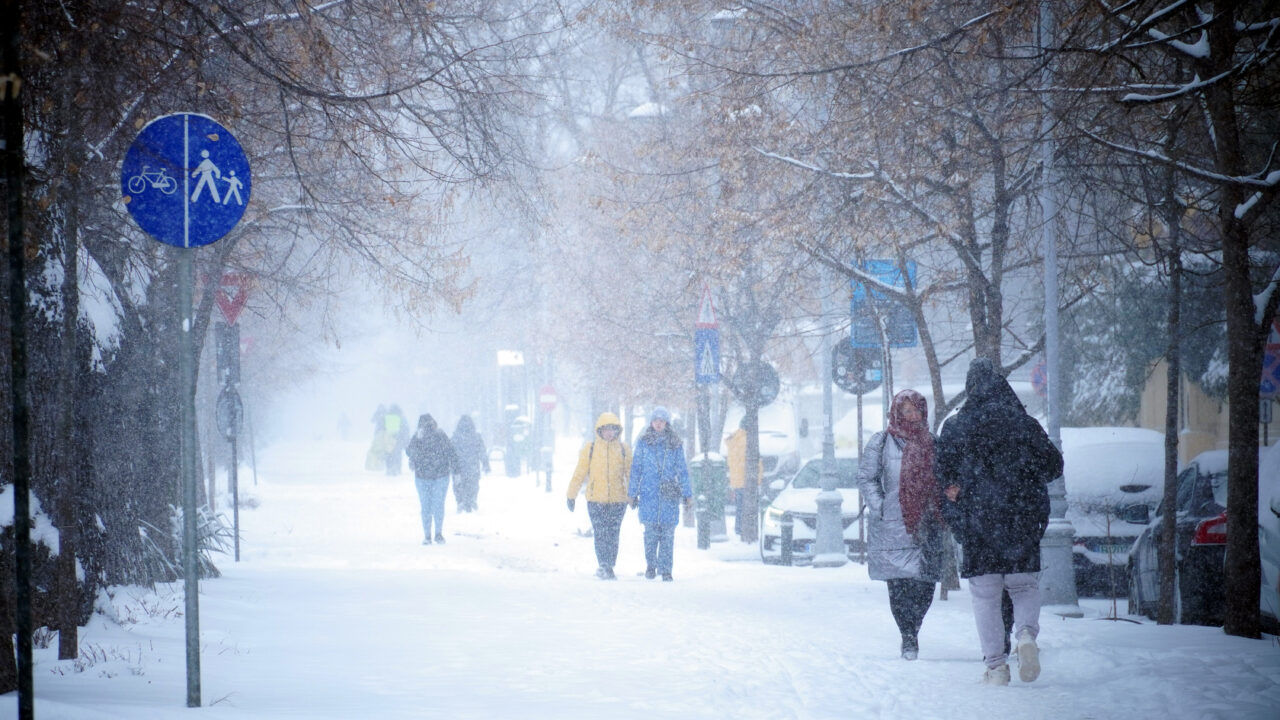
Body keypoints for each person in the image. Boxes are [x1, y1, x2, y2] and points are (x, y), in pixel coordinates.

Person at [935, 358, 1064, 686]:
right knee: (1023, 586)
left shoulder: (956, 426)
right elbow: (1053, 466)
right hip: (1022, 518)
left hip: (979, 522)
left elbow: (943, 478)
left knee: (985, 594)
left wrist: (958, 497)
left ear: (970, 388)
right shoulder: (1024, 423)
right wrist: (1024, 474)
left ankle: (995, 667)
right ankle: (1025, 636)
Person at [856, 389, 946, 661]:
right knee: (898, 586)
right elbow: (867, 478)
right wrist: (880, 505)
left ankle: (914, 626)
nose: (912, 415)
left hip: (926, 523)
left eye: (916, 410)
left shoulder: (933, 443)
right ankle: (908, 635)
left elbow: (944, 477)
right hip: (893, 525)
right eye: (906, 410)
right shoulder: (882, 442)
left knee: (925, 583)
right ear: (896, 412)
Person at [565, 413, 633, 580]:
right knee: (600, 533)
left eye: (613, 429)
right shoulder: (591, 448)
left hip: (618, 500)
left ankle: (609, 564)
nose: (610, 433)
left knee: (613, 533)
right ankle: (604, 564)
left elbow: (630, 473)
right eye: (606, 429)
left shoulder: (624, 449)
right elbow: (580, 473)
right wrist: (571, 494)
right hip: (596, 500)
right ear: (600, 431)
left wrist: (633, 494)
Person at [629, 407, 692, 581]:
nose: (658, 423)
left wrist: (687, 494)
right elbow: (636, 470)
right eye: (656, 420)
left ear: (667, 423)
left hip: (669, 497)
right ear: (651, 422)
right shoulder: (643, 443)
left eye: (662, 420)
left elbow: (683, 470)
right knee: (650, 536)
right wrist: (632, 493)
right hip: (648, 496)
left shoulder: (675, 444)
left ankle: (666, 570)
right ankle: (651, 565)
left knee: (667, 536)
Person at [405, 414, 458, 545]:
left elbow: (408, 452)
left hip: (422, 476)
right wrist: (456, 471)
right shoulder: (440, 434)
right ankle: (438, 534)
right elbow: (452, 452)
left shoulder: (419, 436)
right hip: (441, 475)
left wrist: (417, 440)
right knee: (438, 505)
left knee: (426, 506)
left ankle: (427, 535)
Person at [724, 418, 762, 540]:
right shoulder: (748, 440)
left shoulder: (734, 440)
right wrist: (759, 479)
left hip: (736, 480)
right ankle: (746, 531)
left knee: (740, 506)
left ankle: (739, 528)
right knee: (749, 507)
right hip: (747, 479)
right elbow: (756, 462)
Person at [451, 415, 490, 513]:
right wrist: (485, 464)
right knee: (473, 484)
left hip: (458, 467)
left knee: (459, 485)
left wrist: (448, 465)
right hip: (472, 466)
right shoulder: (476, 436)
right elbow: (482, 451)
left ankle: (460, 501)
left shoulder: (455, 437)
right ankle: (472, 499)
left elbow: (450, 453)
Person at [384, 404, 410, 476]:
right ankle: (397, 468)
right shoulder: (401, 417)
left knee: (389, 453)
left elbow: (383, 428)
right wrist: (406, 440)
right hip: (398, 439)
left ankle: (389, 468)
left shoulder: (387, 417)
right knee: (397, 454)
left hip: (389, 439)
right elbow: (405, 428)